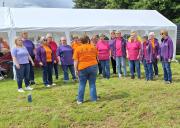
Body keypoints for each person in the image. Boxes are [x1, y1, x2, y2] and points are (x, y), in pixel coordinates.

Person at [73, 35, 98, 104]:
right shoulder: (93, 47)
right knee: (92, 83)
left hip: (82, 67)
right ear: (88, 40)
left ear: (81, 41)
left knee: (82, 84)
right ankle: (94, 99)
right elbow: (96, 57)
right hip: (93, 66)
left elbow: (76, 61)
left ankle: (80, 100)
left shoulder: (77, 49)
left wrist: (75, 70)